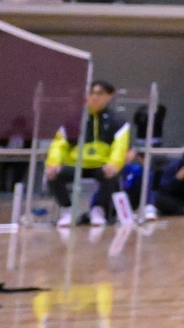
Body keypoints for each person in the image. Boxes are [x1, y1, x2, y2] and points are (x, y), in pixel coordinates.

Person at [44, 80, 129, 227]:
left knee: (111, 176)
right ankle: (68, 209)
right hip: (75, 164)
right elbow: (59, 144)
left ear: (109, 96)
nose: (94, 97)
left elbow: (119, 147)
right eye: (91, 93)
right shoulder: (73, 121)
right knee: (53, 176)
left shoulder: (118, 122)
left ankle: (98, 210)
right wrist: (53, 163)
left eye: (99, 94)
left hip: (100, 165)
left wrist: (113, 164)